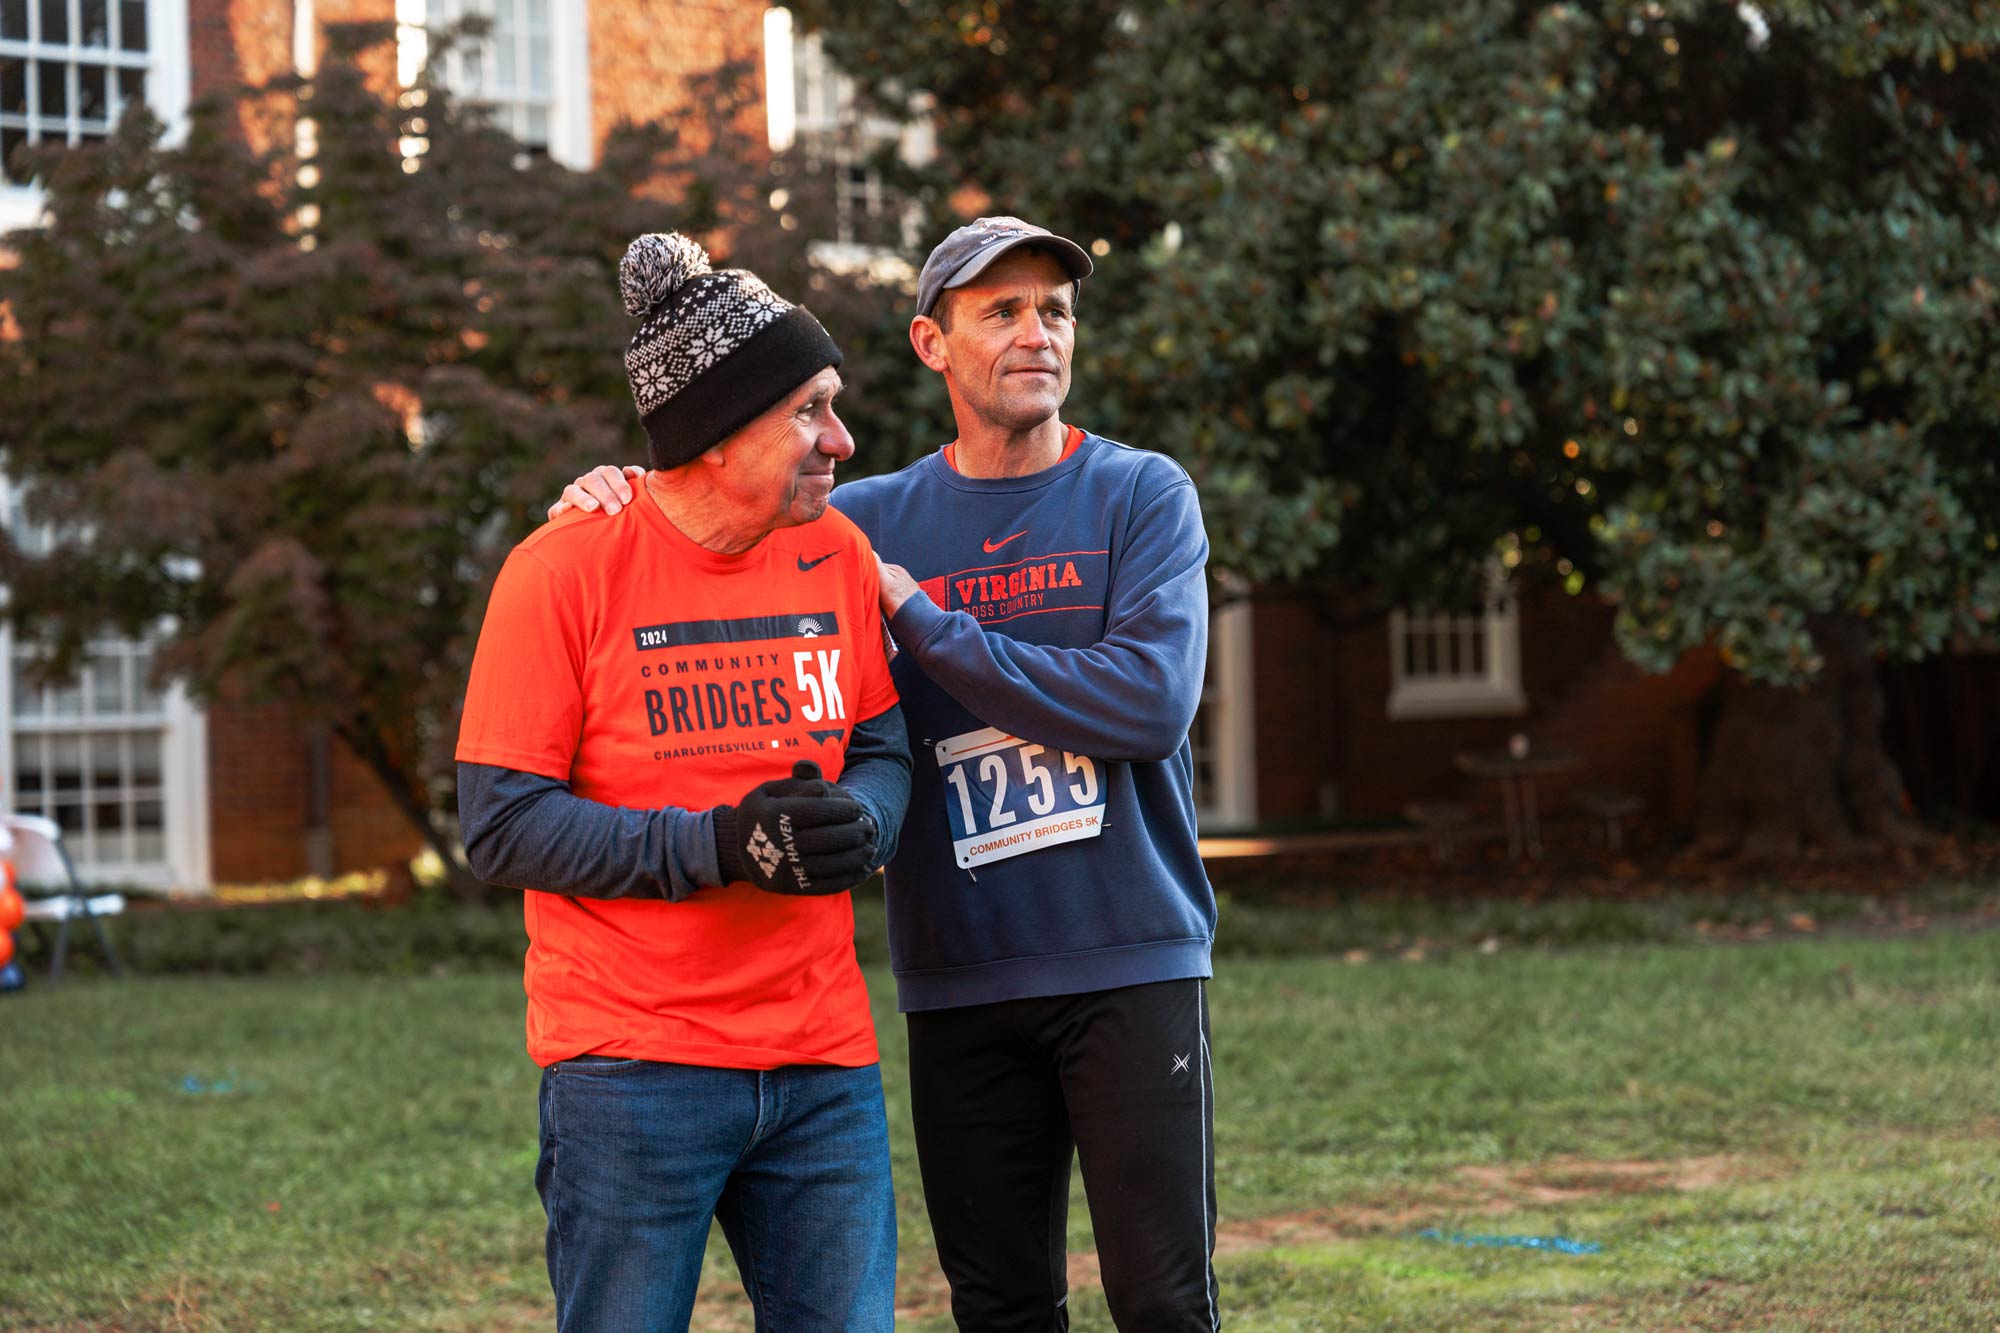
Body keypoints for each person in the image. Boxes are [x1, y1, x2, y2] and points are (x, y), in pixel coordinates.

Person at [557, 216, 1218, 1330]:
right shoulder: (857, 520)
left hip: (1129, 961)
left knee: (1161, 1301)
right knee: (998, 1304)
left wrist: (924, 619)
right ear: (930, 341)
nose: (1035, 333)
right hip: (958, 977)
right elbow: (712, 522)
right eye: (999, 311)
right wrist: (622, 486)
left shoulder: (1141, 495)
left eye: (1054, 310)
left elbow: (1146, 704)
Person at [458, 231, 910, 1332]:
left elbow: (884, 750)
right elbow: (502, 825)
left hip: (822, 1066)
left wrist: (859, 820)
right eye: (808, 409)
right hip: (629, 1072)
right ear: (716, 431)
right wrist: (718, 846)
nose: (838, 439)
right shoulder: (559, 571)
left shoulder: (836, 555)